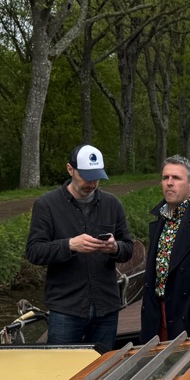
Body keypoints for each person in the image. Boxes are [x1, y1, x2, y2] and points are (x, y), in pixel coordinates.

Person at [25, 144, 133, 345]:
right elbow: (34, 252)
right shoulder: (46, 205)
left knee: (103, 363)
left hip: (106, 307)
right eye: (86, 177)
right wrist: (69, 245)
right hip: (66, 309)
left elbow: (128, 248)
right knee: (62, 364)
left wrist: (115, 248)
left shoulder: (112, 204)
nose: (92, 183)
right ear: (70, 169)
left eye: (96, 177)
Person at [140, 155, 190, 342]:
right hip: (157, 313)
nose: (169, 183)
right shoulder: (161, 216)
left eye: (176, 178)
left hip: (187, 316)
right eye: (165, 178)